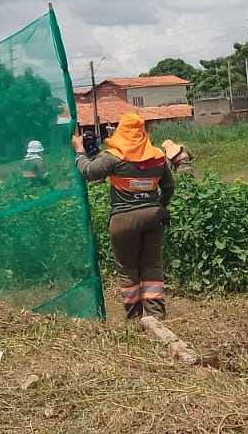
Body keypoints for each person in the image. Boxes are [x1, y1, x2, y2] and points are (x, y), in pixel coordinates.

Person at [73, 114, 174, 321]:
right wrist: (160, 206)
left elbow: (89, 172)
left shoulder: (114, 156)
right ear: (142, 132)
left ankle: (135, 319)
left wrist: (79, 150)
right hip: (153, 217)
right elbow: (169, 186)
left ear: (121, 130)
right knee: (152, 266)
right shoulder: (157, 156)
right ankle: (156, 317)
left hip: (123, 219)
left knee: (128, 268)